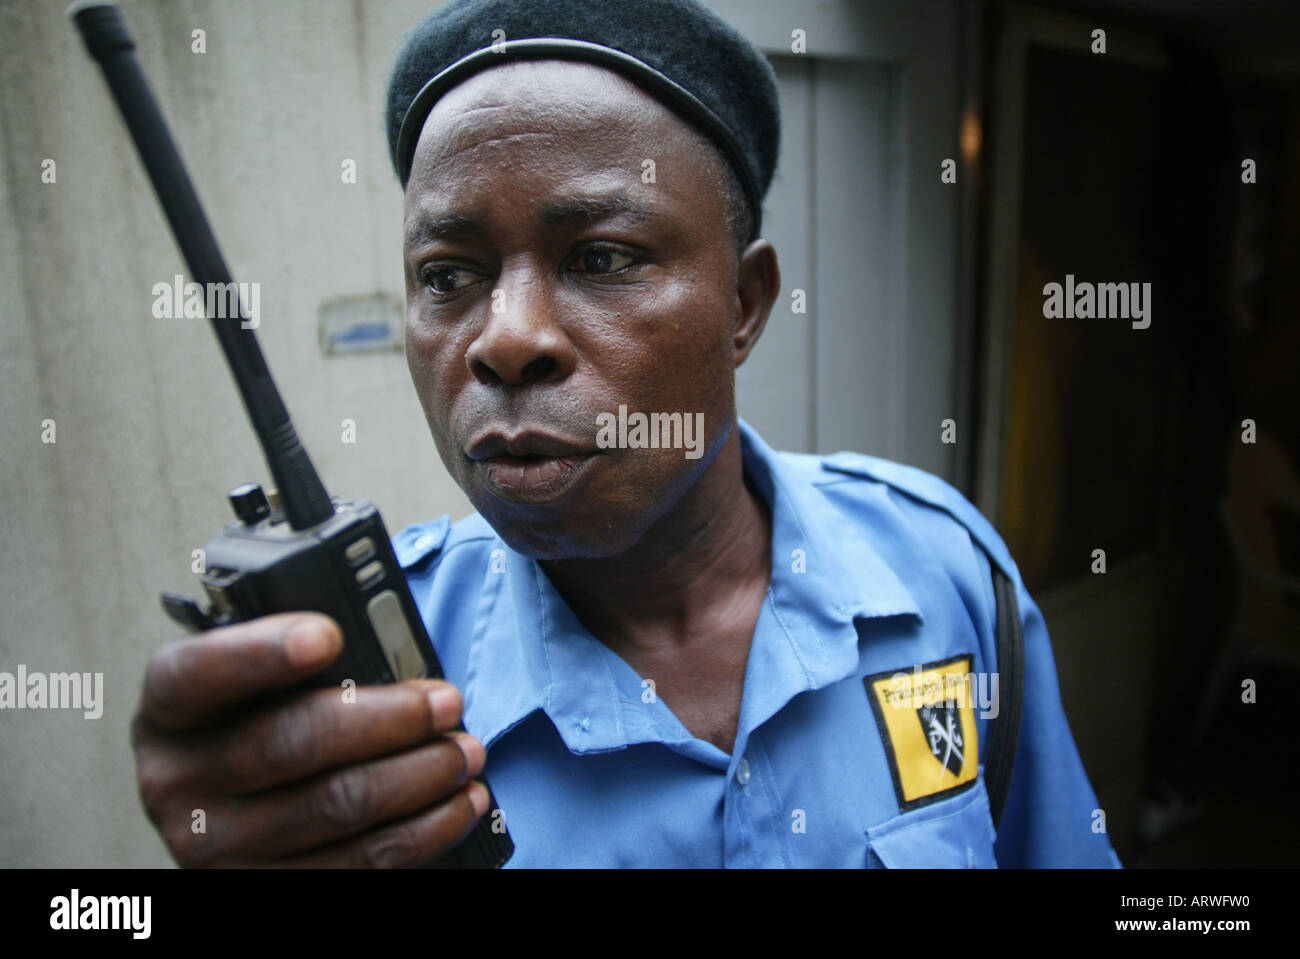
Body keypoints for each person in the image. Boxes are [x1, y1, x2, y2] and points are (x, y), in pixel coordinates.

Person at [130, 0, 1120, 867]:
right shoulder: (372, 686)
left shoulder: (937, 572)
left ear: (744, 301)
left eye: (601, 256)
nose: (506, 338)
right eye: (448, 274)